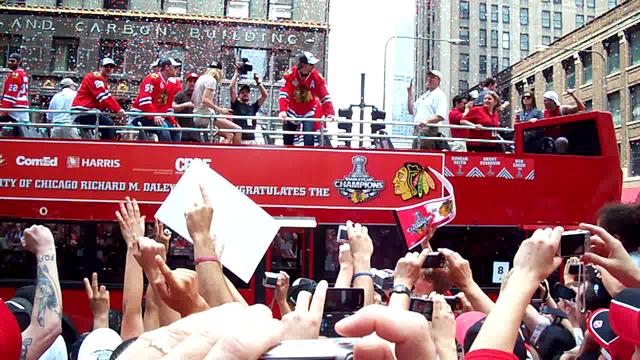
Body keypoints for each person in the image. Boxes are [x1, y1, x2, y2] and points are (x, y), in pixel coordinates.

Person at [278, 51, 335, 146]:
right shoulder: (291, 74)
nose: (313, 67)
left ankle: (309, 158)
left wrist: (330, 114)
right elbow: (284, 93)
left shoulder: (316, 77)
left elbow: (324, 96)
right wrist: (282, 110)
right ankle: (287, 158)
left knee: (309, 138)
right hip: (292, 110)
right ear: (303, 64)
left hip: (308, 111)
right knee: (288, 139)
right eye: (311, 64)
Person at [71, 58, 126, 140]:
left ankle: (101, 147)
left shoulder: (101, 80)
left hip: (86, 112)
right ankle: (105, 149)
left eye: (111, 67)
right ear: (100, 67)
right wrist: (118, 109)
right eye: (106, 66)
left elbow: (103, 99)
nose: (109, 68)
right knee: (109, 126)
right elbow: (103, 97)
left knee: (107, 125)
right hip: (83, 111)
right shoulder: (95, 77)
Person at [130, 57, 183, 142]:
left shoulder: (169, 83)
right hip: (141, 115)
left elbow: (166, 106)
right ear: (167, 67)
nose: (177, 70)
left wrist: (173, 122)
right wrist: (155, 115)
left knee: (176, 130)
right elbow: (144, 101)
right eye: (175, 67)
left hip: (154, 116)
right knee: (164, 129)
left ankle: (174, 153)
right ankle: (165, 153)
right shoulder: (152, 78)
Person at [192, 61, 241, 144]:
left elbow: (193, 99)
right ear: (220, 72)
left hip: (198, 115)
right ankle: (236, 155)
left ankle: (221, 154)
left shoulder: (201, 78)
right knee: (237, 130)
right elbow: (205, 100)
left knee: (229, 135)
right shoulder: (212, 80)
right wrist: (221, 110)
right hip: (206, 116)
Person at [407, 69, 449, 150]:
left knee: (423, 154)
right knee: (416, 153)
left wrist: (427, 122)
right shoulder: (424, 96)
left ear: (438, 81)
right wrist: (409, 94)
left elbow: (441, 116)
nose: (429, 79)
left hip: (429, 129)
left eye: (433, 77)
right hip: (418, 129)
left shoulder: (440, 95)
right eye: (428, 77)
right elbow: (411, 110)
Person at [229, 66, 268, 145]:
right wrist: (236, 74)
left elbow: (265, 95)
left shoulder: (253, 107)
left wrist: (258, 82)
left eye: (247, 92)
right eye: (243, 92)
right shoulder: (236, 104)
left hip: (251, 140)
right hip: (238, 139)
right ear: (239, 95)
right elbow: (231, 87)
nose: (245, 94)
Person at [0, 53, 30, 136]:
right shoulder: (23, 74)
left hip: (14, 108)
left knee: (19, 132)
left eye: (12, 61)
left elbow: (10, 94)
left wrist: (4, 110)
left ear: (19, 62)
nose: (10, 63)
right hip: (21, 107)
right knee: (20, 131)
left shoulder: (15, 75)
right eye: (9, 61)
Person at [172, 72, 200, 142]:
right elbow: (172, 108)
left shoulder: (201, 96)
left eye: (195, 81)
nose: (192, 84)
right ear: (187, 82)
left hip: (197, 134)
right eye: (190, 81)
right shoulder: (181, 95)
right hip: (183, 133)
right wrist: (184, 105)